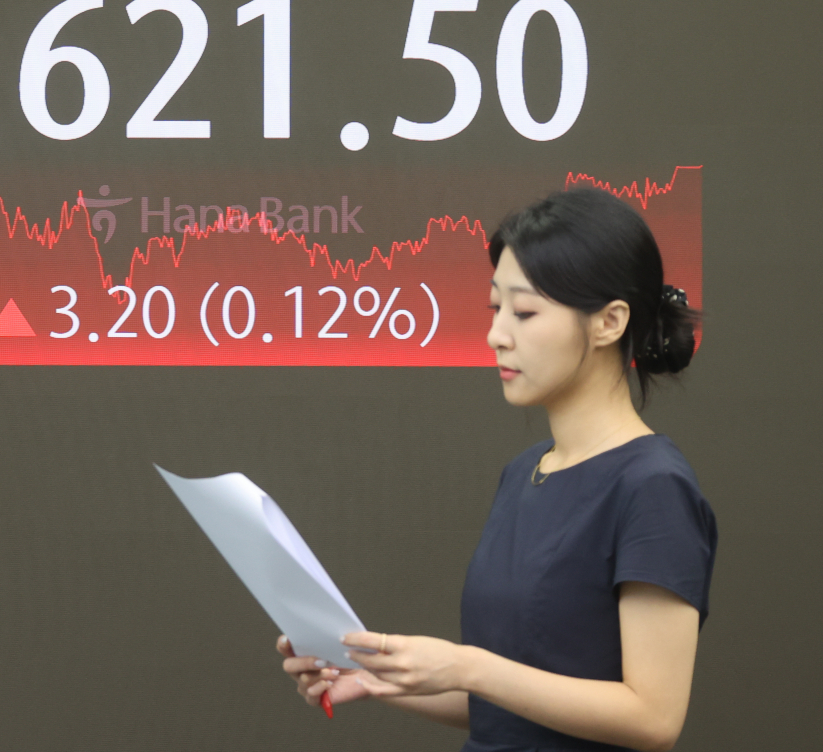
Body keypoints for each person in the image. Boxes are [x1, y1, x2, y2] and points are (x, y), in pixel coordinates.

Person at [278, 187, 718, 752]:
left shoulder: (653, 486)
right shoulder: (525, 473)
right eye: (496, 308)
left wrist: (469, 667)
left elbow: (653, 717)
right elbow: (514, 706)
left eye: (526, 312)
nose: (497, 335)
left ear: (609, 322)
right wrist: (374, 678)